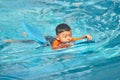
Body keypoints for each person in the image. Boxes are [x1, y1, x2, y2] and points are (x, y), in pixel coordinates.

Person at [3, 23, 92, 50]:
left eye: (70, 35)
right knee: (30, 41)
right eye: (65, 36)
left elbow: (78, 39)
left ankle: (44, 34)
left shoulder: (70, 39)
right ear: (58, 37)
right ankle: (13, 40)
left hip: (52, 37)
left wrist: (85, 36)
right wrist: (66, 46)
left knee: (47, 35)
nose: (69, 38)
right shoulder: (57, 41)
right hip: (48, 41)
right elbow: (54, 48)